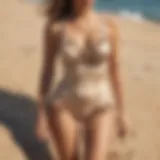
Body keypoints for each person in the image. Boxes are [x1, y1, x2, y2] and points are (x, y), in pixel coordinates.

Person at [36, 0, 129, 159]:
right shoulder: (56, 27)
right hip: (65, 104)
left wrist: (123, 113)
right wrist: (42, 114)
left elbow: (115, 72)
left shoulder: (109, 27)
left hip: (101, 104)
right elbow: (47, 71)